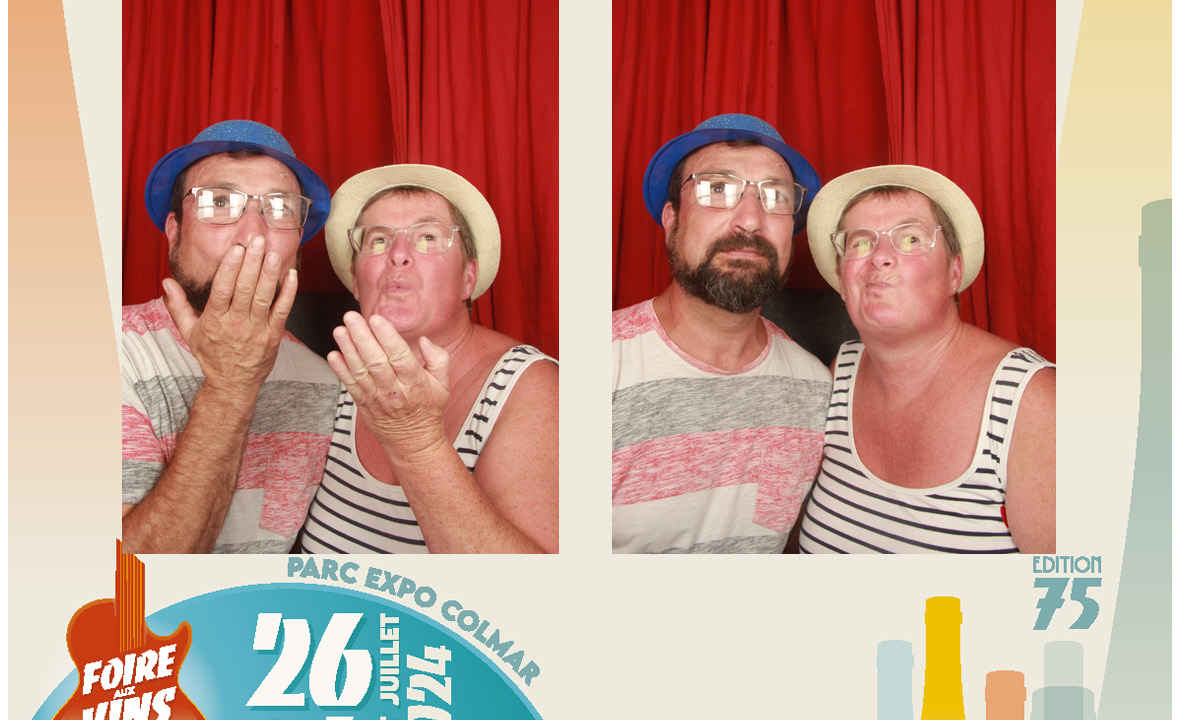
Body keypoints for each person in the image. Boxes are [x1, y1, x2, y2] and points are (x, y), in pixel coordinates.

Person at [300, 165, 558, 554]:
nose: (398, 255)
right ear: (355, 280)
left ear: (468, 278)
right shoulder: (334, 379)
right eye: (378, 240)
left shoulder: (531, 387)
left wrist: (416, 441)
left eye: (427, 238)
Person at [798, 165, 1055, 554]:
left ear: (954, 273)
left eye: (911, 238)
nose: (880, 257)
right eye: (861, 243)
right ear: (842, 280)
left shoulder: (1032, 402)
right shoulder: (842, 370)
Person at [613, 114, 832, 554]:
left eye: (776, 196)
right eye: (717, 189)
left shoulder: (817, 390)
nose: (750, 221)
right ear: (672, 220)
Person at [121, 120, 340, 554]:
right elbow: (122, 583)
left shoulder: (330, 383)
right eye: (219, 202)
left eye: (280, 208)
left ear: (298, 240)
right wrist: (230, 386)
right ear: (174, 231)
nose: (253, 236)